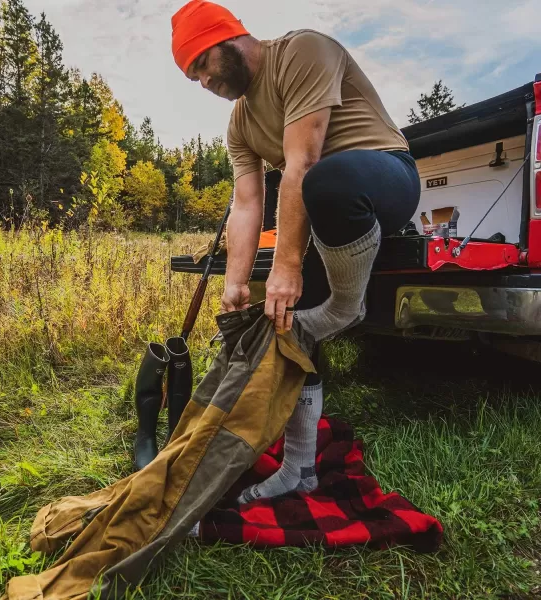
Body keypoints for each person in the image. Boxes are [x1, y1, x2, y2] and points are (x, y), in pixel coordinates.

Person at [171, 0, 421, 504]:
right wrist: (237, 282)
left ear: (228, 39)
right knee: (294, 325)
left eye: (201, 65)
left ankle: (349, 308)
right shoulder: (239, 125)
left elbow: (302, 163)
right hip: (318, 202)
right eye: (191, 76)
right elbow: (246, 205)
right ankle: (299, 468)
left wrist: (286, 265)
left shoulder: (303, 51)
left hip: (380, 176)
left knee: (326, 181)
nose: (202, 82)